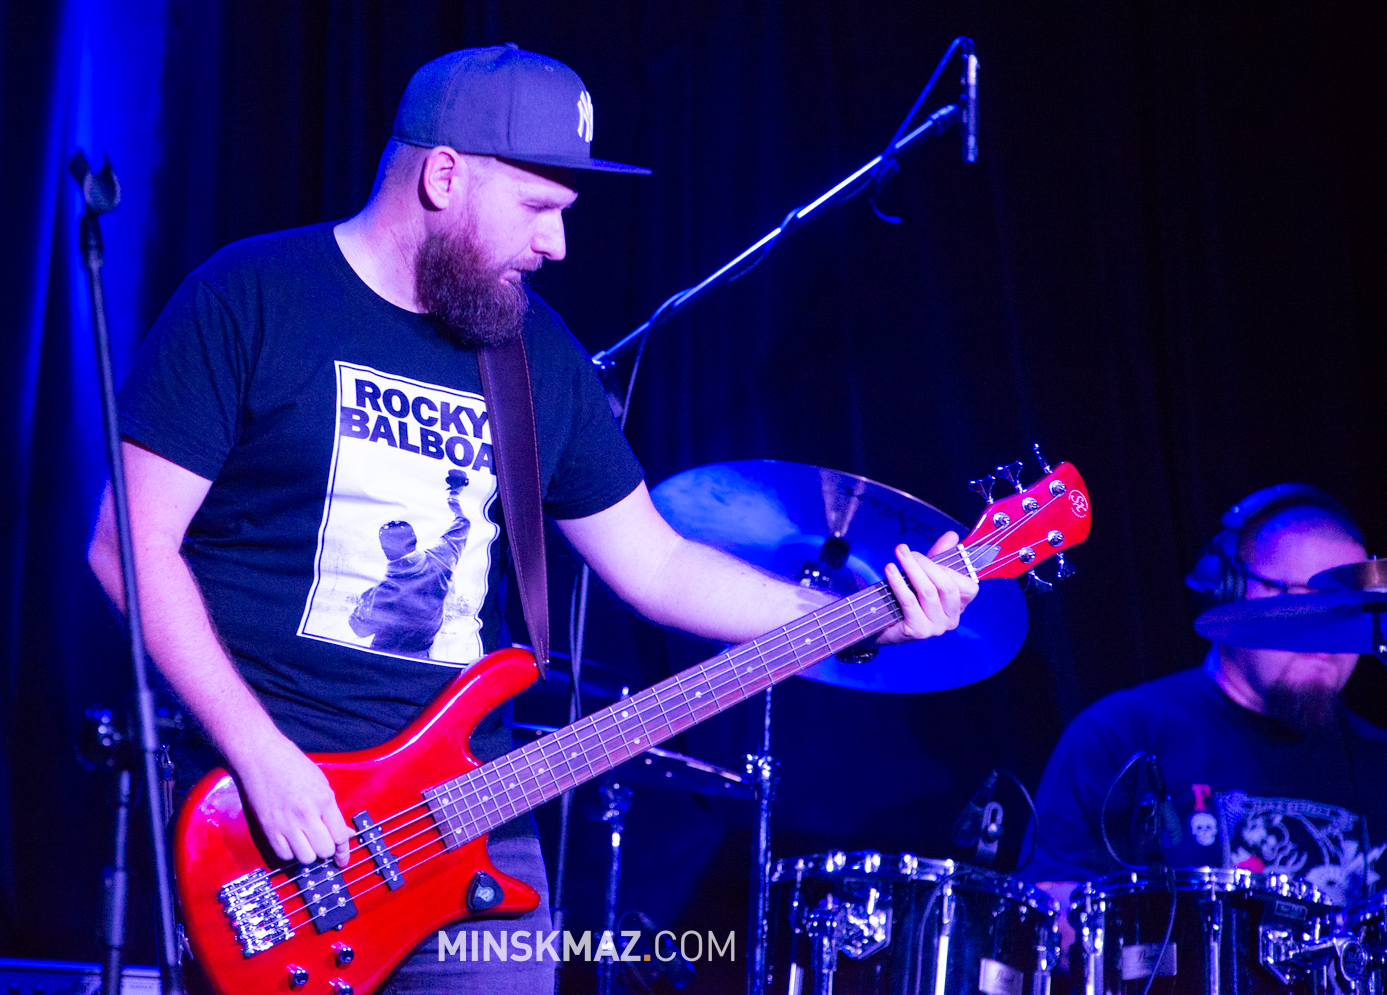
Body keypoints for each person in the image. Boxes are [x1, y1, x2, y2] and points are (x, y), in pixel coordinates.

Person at [87, 44, 977, 993]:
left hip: (472, 816)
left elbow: (658, 566)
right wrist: (259, 751)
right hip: (272, 810)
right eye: (537, 207)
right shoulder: (252, 296)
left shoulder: (534, 352)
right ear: (443, 177)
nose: (557, 245)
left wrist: (857, 618)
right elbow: (126, 548)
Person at [1023, 484, 1387, 966]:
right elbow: (1044, 911)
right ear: (1230, 591)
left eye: (1346, 607)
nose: (1327, 628)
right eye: (1301, 597)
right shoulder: (1120, 733)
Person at [348, 470, 472, 657]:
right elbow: (463, 523)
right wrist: (454, 496)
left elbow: (359, 629)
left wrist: (363, 602)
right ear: (414, 539)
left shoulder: (381, 592)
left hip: (381, 658)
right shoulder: (443, 559)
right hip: (423, 655)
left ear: (385, 549)